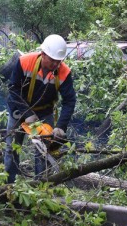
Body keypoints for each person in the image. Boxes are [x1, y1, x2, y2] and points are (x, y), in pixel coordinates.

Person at [4, 34, 76, 183]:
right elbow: (13, 89)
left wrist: (61, 127)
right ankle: (8, 185)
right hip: (19, 110)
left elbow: (69, 100)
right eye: (53, 60)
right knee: (12, 147)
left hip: (44, 112)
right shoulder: (25, 62)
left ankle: (40, 186)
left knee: (43, 151)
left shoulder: (64, 72)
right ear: (43, 54)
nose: (56, 64)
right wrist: (27, 113)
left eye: (59, 61)